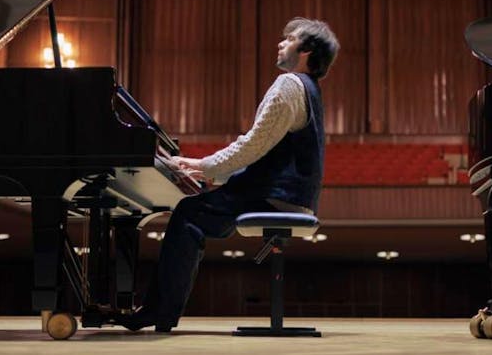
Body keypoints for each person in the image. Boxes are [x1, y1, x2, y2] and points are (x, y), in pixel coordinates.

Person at [117, 17, 340, 332]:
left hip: (276, 195)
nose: (280, 43)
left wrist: (203, 165)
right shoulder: (311, 90)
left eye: (289, 39)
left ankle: (158, 312)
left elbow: (254, 145)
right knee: (194, 212)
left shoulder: (290, 84)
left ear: (306, 51)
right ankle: (160, 310)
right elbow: (266, 150)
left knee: (188, 214)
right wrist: (211, 172)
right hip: (292, 196)